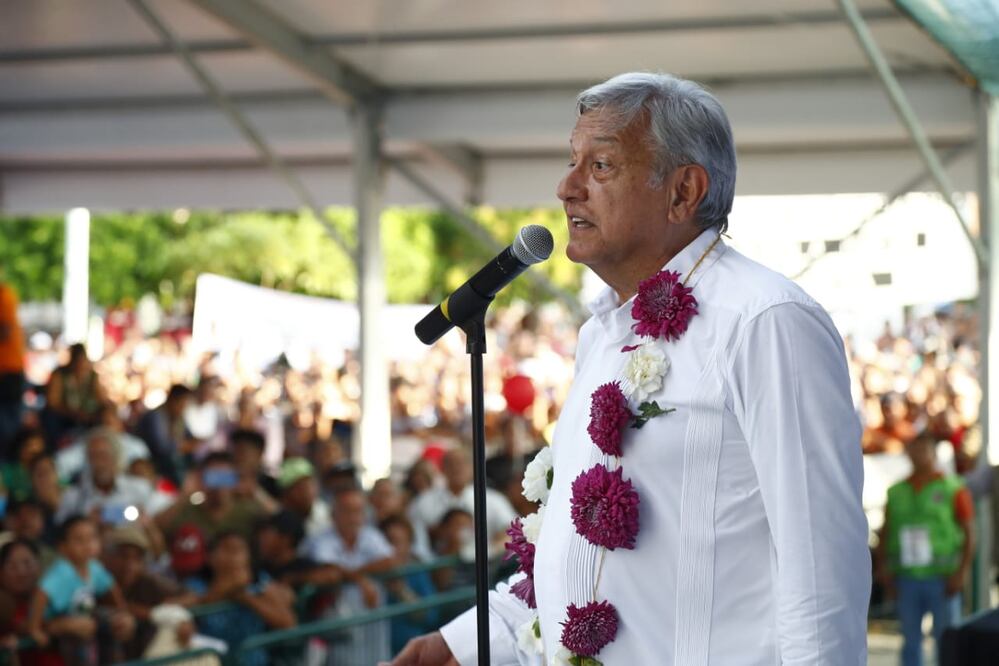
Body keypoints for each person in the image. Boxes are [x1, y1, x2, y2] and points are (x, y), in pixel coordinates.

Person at [387, 72, 869, 665]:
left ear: (683, 191)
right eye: (572, 162)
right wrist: (461, 644)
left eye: (602, 166)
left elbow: (821, 571)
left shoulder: (765, 321)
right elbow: (581, 557)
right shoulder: (603, 335)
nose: (566, 187)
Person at [876, 431, 974, 666]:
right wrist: (885, 570)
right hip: (907, 578)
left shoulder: (953, 488)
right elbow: (885, 532)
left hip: (942, 578)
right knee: (911, 641)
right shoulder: (896, 491)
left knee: (947, 640)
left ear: (934, 452)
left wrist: (961, 572)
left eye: (924, 449)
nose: (918, 455)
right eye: (914, 449)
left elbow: (970, 533)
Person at [306, 486, 397, 666]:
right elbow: (330, 567)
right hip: (339, 625)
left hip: (373, 627)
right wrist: (362, 580)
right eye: (347, 511)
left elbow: (389, 560)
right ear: (334, 514)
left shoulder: (370, 535)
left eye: (358, 511)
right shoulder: (322, 539)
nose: (353, 517)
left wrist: (355, 575)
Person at [28, 515, 136, 665]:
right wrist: (34, 629)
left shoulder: (94, 567)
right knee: (81, 631)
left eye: (92, 538)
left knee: (116, 622)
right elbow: (41, 593)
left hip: (83, 615)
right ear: (63, 547)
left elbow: (111, 588)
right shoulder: (61, 571)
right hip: (57, 622)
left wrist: (122, 614)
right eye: (79, 540)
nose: (87, 545)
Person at [407, 448, 516, 557]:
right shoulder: (422, 503)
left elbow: (514, 530)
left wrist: (492, 550)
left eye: (462, 463)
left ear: (472, 467)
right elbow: (417, 546)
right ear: (442, 468)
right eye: (451, 464)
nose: (456, 468)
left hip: (489, 567)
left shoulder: (493, 499)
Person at [156, 452, 271, 543]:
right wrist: (184, 495)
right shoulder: (189, 511)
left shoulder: (248, 511)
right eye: (213, 477)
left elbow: (281, 521)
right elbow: (159, 526)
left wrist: (255, 491)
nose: (219, 487)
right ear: (202, 480)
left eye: (225, 478)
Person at [42, 344, 106, 446]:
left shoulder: (92, 376)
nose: (80, 366)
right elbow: (52, 402)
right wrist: (73, 413)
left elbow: (102, 399)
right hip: (64, 416)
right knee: (49, 417)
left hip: (88, 416)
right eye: (77, 361)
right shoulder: (60, 375)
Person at [135, 383, 195, 486]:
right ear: (173, 400)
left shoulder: (179, 418)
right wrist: (182, 446)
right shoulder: (155, 416)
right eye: (182, 403)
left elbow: (191, 438)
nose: (183, 407)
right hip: (152, 461)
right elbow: (161, 447)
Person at [0, 280, 26, 453]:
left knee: (7, 426)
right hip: (8, 371)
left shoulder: (4, 296)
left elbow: (4, 330)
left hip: (8, 372)